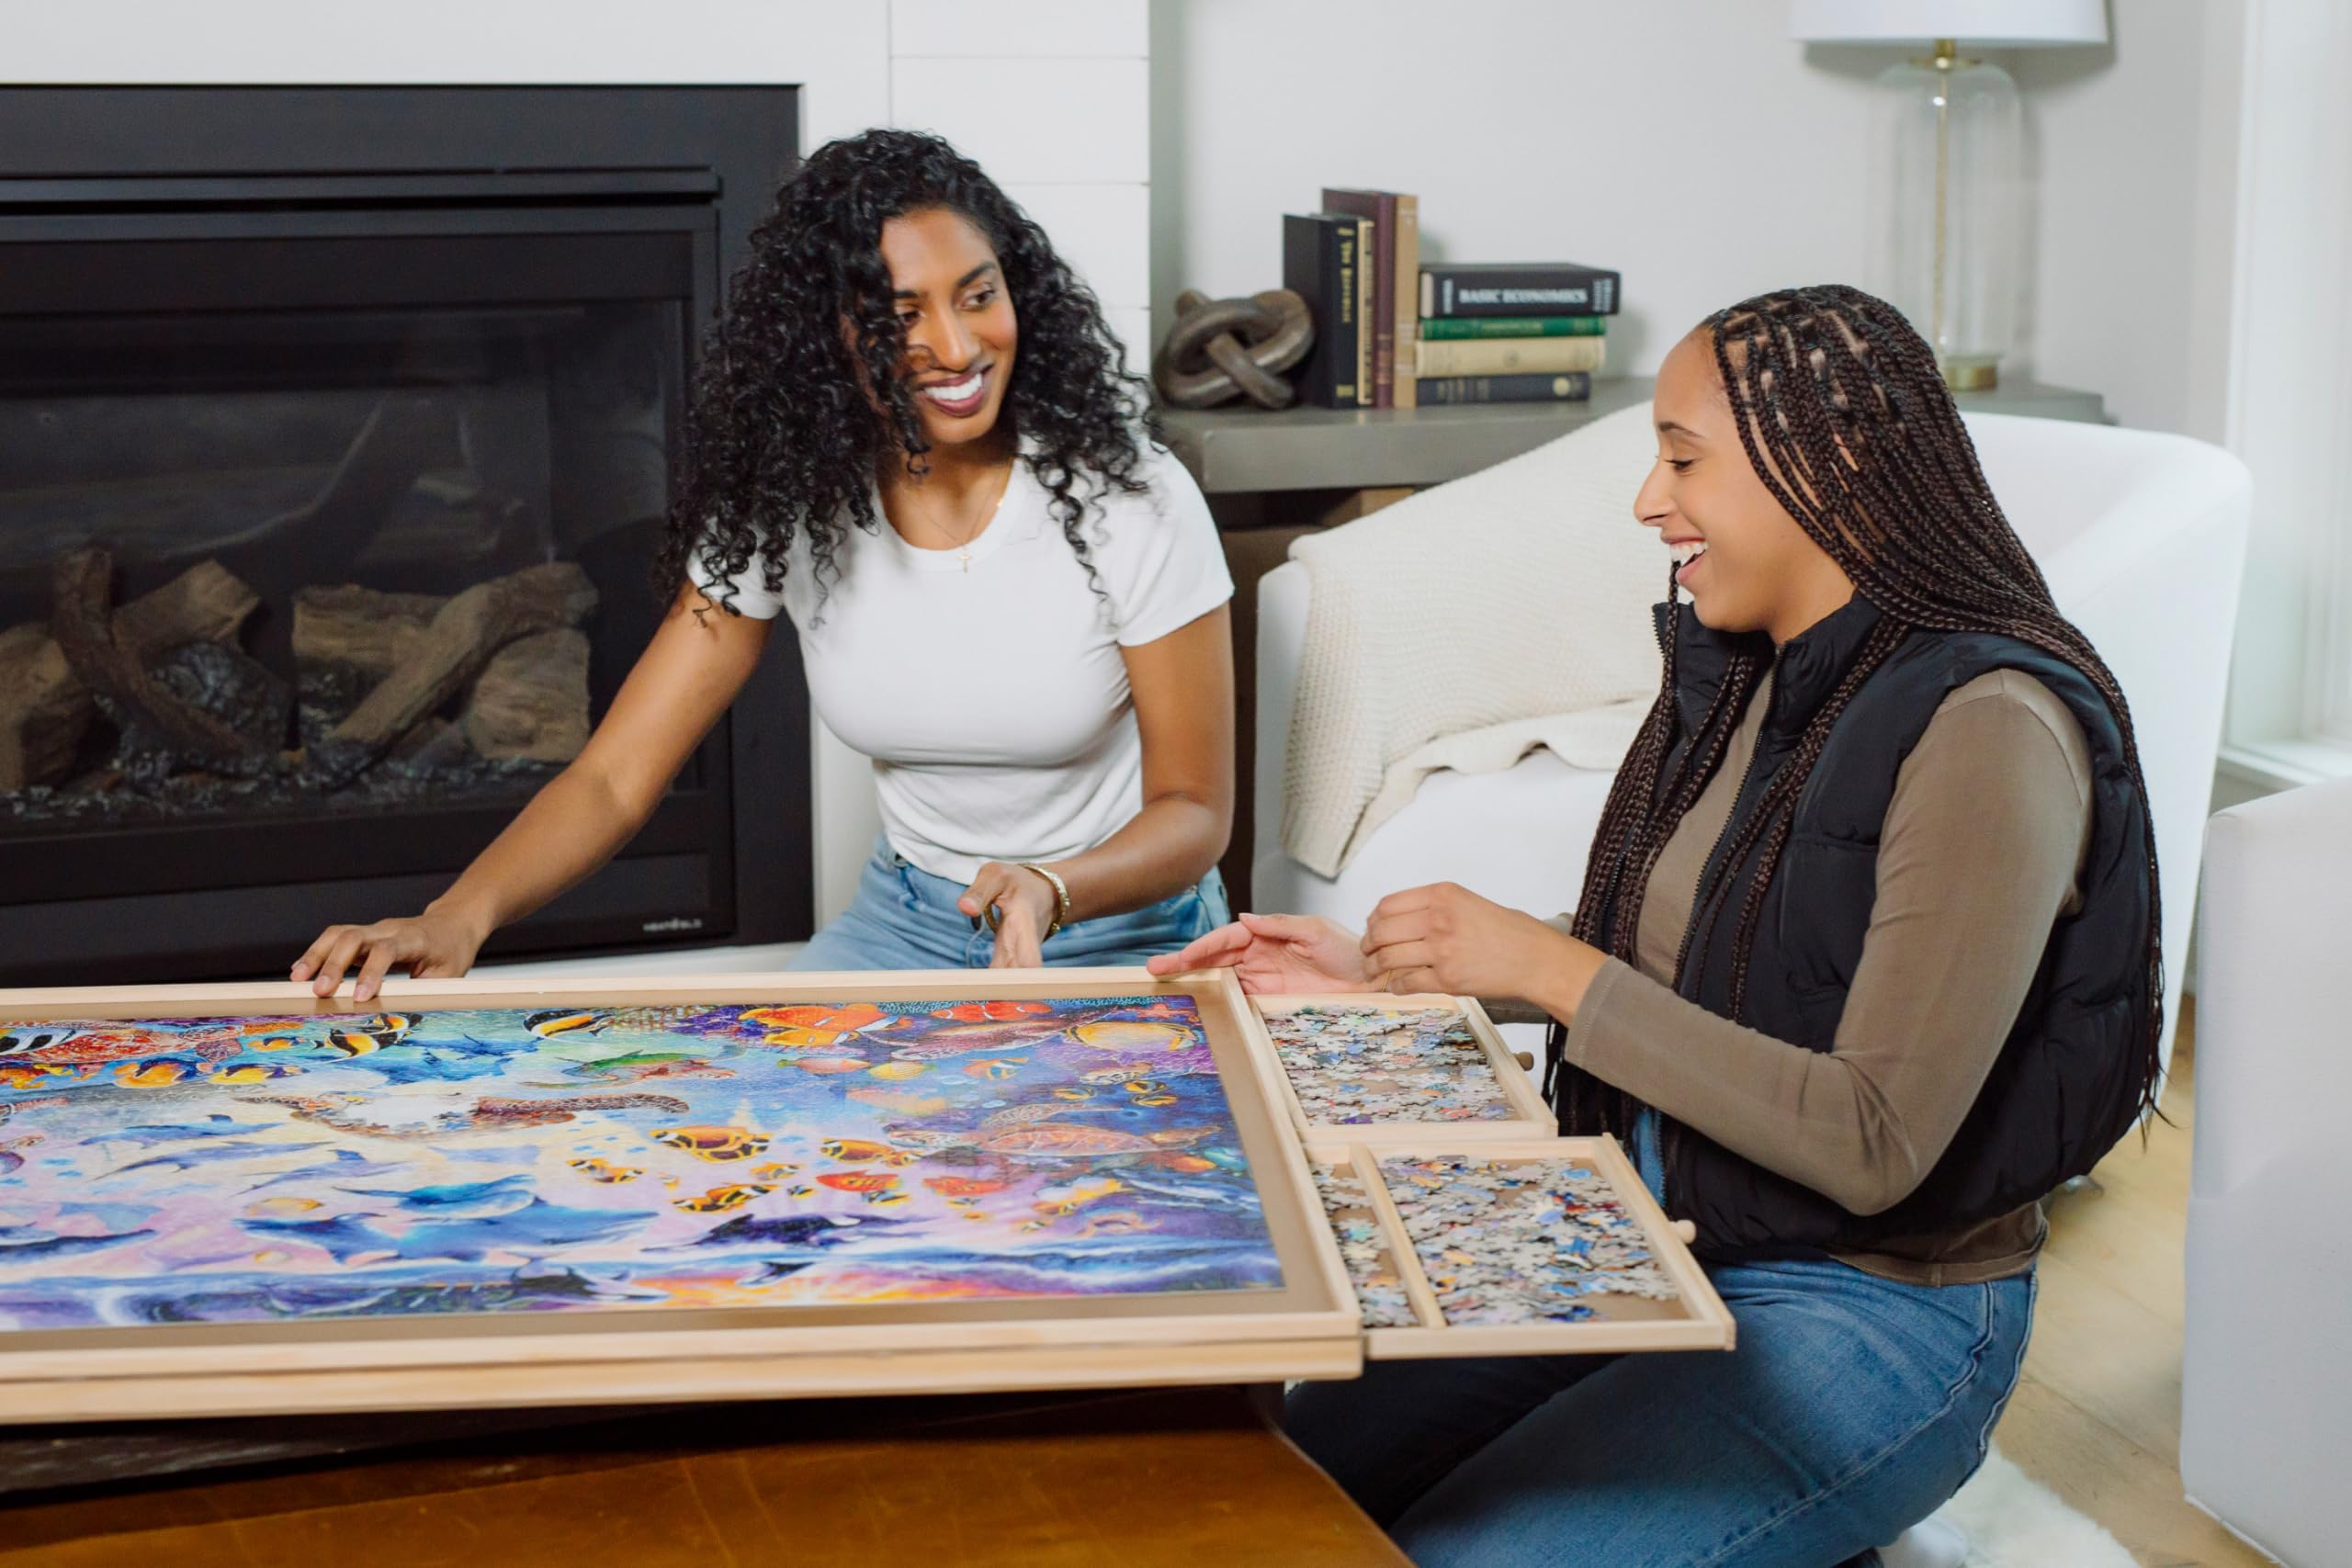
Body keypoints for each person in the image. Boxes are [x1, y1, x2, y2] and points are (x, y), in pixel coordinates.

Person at [1151, 284, 2163, 1568]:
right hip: (1662, 1223)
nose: (1648, 499)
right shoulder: (1764, 661)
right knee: (1277, 1488)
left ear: (1829, 461)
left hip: (1871, 1302)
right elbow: (1716, 944)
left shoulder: (1992, 725)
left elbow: (1874, 1136)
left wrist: (1551, 970)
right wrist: (1406, 970)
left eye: (1684, 458)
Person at [294, 130, 1233, 1001]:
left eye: (977, 295)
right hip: (905, 926)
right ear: (825, 338)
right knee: (758, 1153)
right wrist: (457, 916)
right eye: (902, 315)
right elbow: (616, 776)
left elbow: (1193, 811)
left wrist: (1049, 889)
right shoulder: (790, 502)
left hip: (1117, 928)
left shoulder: (1126, 500)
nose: (956, 347)